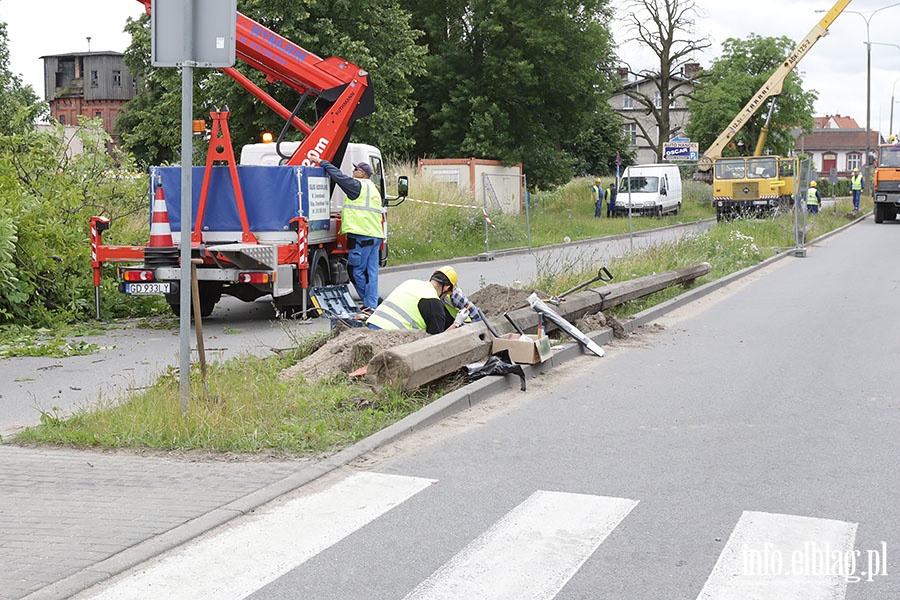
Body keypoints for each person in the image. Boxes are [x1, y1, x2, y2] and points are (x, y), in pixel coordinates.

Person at [315, 159, 383, 311]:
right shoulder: (372, 188)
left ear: (363, 174)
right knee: (371, 272)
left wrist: (323, 163)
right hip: (374, 235)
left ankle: (369, 302)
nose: (353, 172)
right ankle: (372, 304)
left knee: (355, 270)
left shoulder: (358, 185)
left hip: (361, 236)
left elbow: (339, 177)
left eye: (356, 169)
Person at [366, 266, 463, 334]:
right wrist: (456, 324)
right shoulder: (434, 303)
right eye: (446, 294)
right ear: (446, 288)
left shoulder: (410, 282)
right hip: (392, 336)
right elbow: (436, 343)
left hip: (371, 328)